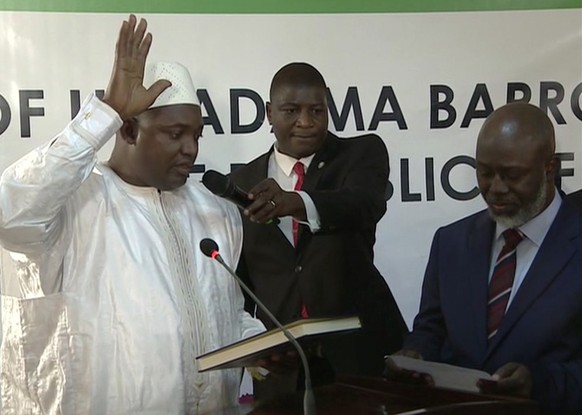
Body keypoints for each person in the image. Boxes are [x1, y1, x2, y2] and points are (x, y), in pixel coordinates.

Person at [0, 15, 265, 414]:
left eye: (196, 135)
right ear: (126, 131)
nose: (191, 148)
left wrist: (260, 344)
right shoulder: (74, 203)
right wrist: (102, 115)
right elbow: (10, 215)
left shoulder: (215, 212)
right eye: (175, 134)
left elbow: (217, 313)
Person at [230, 62, 408, 398]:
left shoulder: (361, 153)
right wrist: (253, 348)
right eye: (291, 110)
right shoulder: (242, 183)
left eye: (317, 110)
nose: (307, 122)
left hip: (360, 356)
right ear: (269, 113)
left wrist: (295, 202)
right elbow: (240, 287)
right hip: (282, 371)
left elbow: (362, 204)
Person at [392, 102, 582, 414]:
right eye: (485, 172)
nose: (495, 188)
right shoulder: (450, 242)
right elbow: (431, 330)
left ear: (550, 168)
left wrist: (539, 382)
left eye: (511, 175)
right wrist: (415, 356)